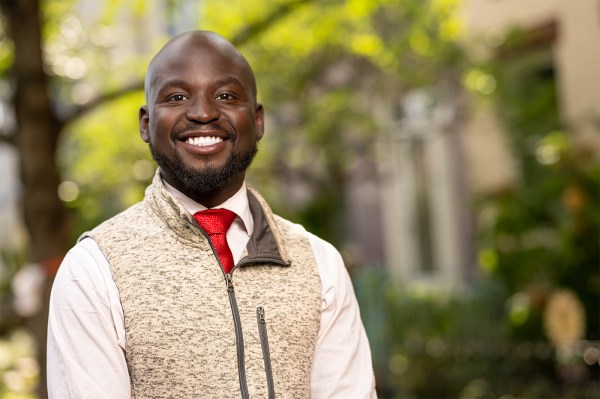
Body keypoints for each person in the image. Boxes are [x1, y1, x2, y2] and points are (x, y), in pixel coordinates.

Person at [47, 30, 377, 399]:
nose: (203, 113)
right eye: (176, 96)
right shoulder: (93, 270)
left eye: (225, 95)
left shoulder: (319, 264)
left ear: (258, 120)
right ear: (145, 123)